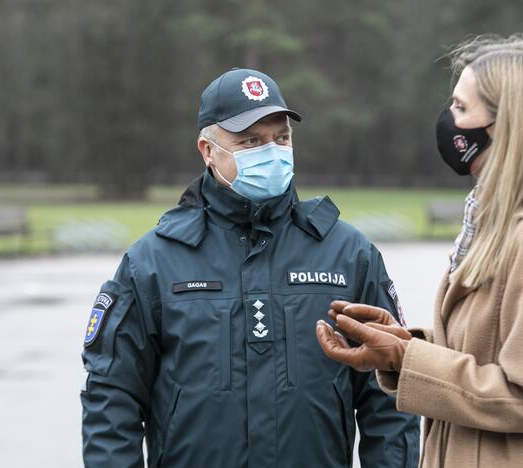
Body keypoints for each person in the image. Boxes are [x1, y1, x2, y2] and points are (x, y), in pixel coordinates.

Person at [81, 68, 420, 468]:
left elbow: (389, 398)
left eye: (281, 138)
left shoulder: (348, 254)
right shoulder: (153, 262)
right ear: (208, 150)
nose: (272, 151)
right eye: (250, 141)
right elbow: (112, 398)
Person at [316, 36, 523, 468]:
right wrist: (402, 342)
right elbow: (487, 350)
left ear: (506, 122)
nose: (448, 120)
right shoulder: (497, 217)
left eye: (460, 107)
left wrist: (406, 358)